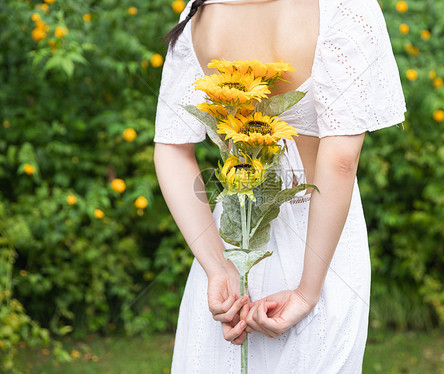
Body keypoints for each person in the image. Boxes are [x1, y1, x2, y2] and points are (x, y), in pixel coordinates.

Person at [153, 0, 406, 372]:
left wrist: (218, 268)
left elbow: (171, 150)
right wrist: (307, 291)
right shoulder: (343, 6)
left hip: (235, 237)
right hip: (322, 241)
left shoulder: (200, 10)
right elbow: (339, 161)